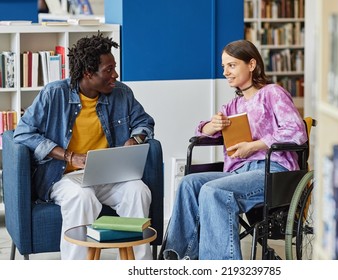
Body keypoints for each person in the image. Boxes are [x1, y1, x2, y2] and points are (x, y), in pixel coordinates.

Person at [13, 33, 155, 260]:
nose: (115, 75)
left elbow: (144, 122)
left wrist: (135, 139)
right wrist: (69, 156)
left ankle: (136, 268)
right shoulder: (54, 94)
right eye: (108, 70)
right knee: (82, 197)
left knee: (139, 191)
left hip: (108, 175)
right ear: (88, 73)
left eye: (114, 68)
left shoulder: (122, 93)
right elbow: (22, 133)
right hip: (64, 177)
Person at [162, 39, 307, 260]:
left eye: (231, 65)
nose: (226, 72)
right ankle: (179, 257)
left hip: (272, 170)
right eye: (223, 67)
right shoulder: (231, 107)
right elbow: (203, 132)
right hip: (238, 173)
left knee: (214, 191)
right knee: (189, 184)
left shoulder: (272, 93)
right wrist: (212, 125)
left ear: (251, 64)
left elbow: (297, 131)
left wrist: (254, 146)